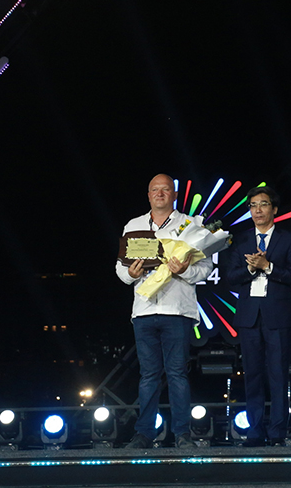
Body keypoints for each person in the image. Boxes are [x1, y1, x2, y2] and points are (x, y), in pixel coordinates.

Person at [116, 173, 213, 449]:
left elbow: (206, 269)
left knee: (177, 374)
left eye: (165, 189)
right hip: (144, 310)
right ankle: (144, 433)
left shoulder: (191, 225)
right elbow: (120, 268)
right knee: (148, 376)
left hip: (177, 310)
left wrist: (185, 270)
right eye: (155, 190)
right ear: (148, 195)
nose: (160, 194)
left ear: (174, 195)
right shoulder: (133, 225)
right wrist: (130, 274)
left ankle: (182, 434)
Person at [227, 186, 291, 447]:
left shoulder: (289, 240)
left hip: (278, 316)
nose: (257, 210)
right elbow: (230, 277)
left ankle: (278, 431)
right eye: (252, 205)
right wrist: (250, 268)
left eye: (263, 204)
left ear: (274, 209)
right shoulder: (242, 241)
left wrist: (268, 267)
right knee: (253, 375)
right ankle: (255, 431)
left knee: (278, 374)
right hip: (249, 317)